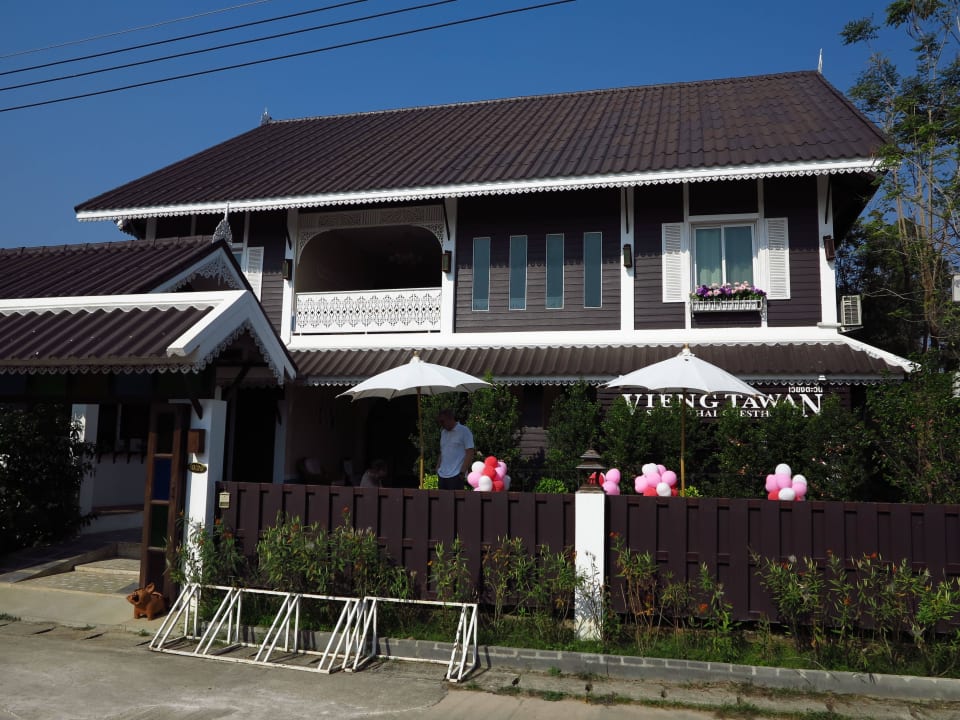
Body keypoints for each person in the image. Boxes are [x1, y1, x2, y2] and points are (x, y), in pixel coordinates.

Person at [436, 408, 475, 490]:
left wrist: (462, 472)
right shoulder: (443, 433)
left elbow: (470, 452)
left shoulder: (464, 431)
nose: (441, 424)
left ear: (450, 418)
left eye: (443, 421)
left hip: (456, 475)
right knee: (442, 501)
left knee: (455, 502)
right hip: (442, 475)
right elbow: (442, 451)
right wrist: (437, 468)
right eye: (440, 422)